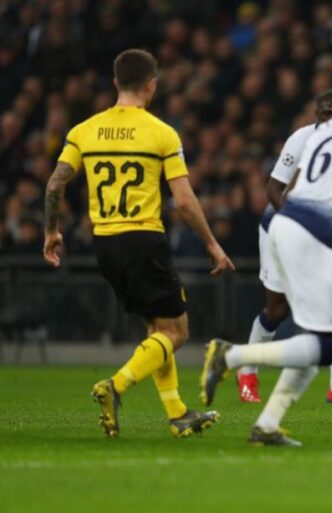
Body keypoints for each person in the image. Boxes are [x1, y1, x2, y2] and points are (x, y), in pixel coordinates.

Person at [200, 61, 332, 446]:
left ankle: (267, 424)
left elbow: (303, 182)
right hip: (313, 232)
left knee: (324, 337)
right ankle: (231, 356)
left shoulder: (330, 128)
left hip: (287, 223)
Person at [43, 49, 234, 438]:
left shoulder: (84, 130)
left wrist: (52, 231)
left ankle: (178, 414)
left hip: (104, 244)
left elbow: (55, 184)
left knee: (157, 329)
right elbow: (184, 201)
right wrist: (212, 243)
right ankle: (115, 386)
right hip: (143, 240)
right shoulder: (161, 133)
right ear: (151, 85)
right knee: (177, 331)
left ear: (116, 82)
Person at [236, 89, 332, 406]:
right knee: (277, 310)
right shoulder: (301, 139)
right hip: (280, 228)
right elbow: (273, 189)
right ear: (316, 116)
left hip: (324, 231)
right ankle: (247, 371)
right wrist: (299, 224)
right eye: (327, 113)